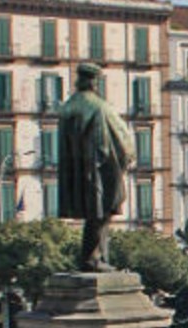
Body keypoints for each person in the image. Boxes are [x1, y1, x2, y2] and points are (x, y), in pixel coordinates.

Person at [58, 61, 136, 271]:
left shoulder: (68, 107)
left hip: (76, 172)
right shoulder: (99, 106)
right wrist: (127, 156)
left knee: (96, 215)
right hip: (98, 169)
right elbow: (121, 137)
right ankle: (93, 259)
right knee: (103, 212)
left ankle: (92, 258)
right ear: (94, 83)